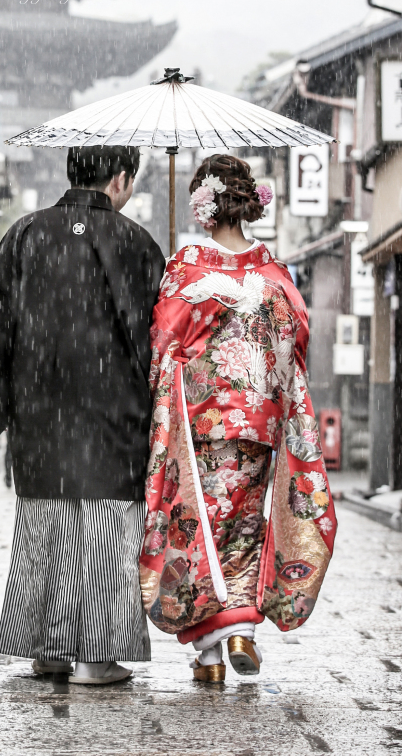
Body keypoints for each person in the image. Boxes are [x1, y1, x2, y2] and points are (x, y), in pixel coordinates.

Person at [0, 146, 164, 685]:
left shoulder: (25, 234)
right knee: (105, 531)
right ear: (121, 179)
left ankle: (48, 649)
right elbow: (161, 339)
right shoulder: (138, 243)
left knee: (45, 526)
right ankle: (97, 659)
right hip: (114, 413)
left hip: (40, 411)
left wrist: (5, 397)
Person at [140, 154, 337, 683]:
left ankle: (211, 652)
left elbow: (163, 340)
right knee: (245, 526)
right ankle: (237, 635)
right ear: (247, 203)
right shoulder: (275, 273)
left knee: (197, 528)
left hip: (202, 424)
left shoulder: (188, 268)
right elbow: (298, 338)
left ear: (204, 206)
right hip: (260, 426)